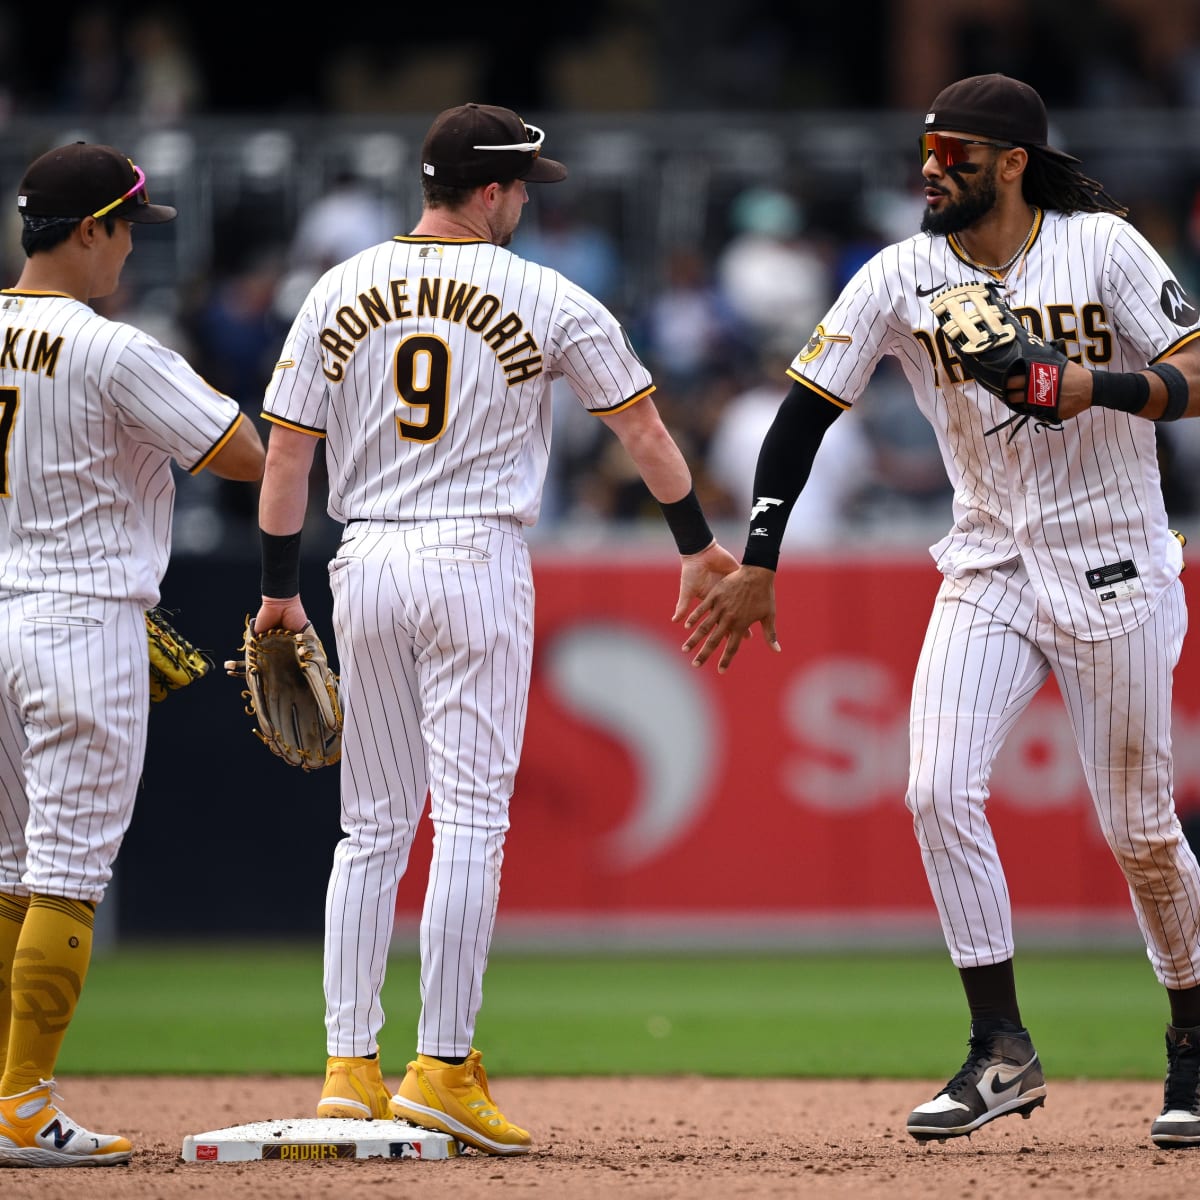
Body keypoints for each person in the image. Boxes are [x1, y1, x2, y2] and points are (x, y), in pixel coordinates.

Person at [682, 73, 1200, 1149]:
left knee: (1143, 832)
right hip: (988, 563)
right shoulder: (902, 274)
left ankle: (1193, 1041)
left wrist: (1084, 384)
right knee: (933, 787)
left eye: (955, 153)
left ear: (1011, 164)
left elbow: (1195, 363)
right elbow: (803, 415)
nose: (932, 168)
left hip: (1113, 564)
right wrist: (762, 558)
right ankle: (1000, 1050)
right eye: (926, 150)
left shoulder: (1100, 247)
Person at [251, 102, 735, 1155]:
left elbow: (287, 457)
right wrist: (696, 545)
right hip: (474, 556)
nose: (527, 201)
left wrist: (280, 590)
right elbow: (643, 427)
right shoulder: (546, 293)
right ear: (488, 190)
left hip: (364, 556)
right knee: (469, 818)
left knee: (370, 826)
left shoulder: (337, 288)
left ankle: (346, 1070)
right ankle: (445, 1066)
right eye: (522, 186)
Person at [0, 142, 265, 1166]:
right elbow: (240, 453)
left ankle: (7, 1091)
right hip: (82, 617)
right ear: (90, 229)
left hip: (8, 603)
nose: (128, 254)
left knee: (12, 873)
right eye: (125, 231)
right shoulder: (114, 348)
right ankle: (24, 1105)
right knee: (65, 876)